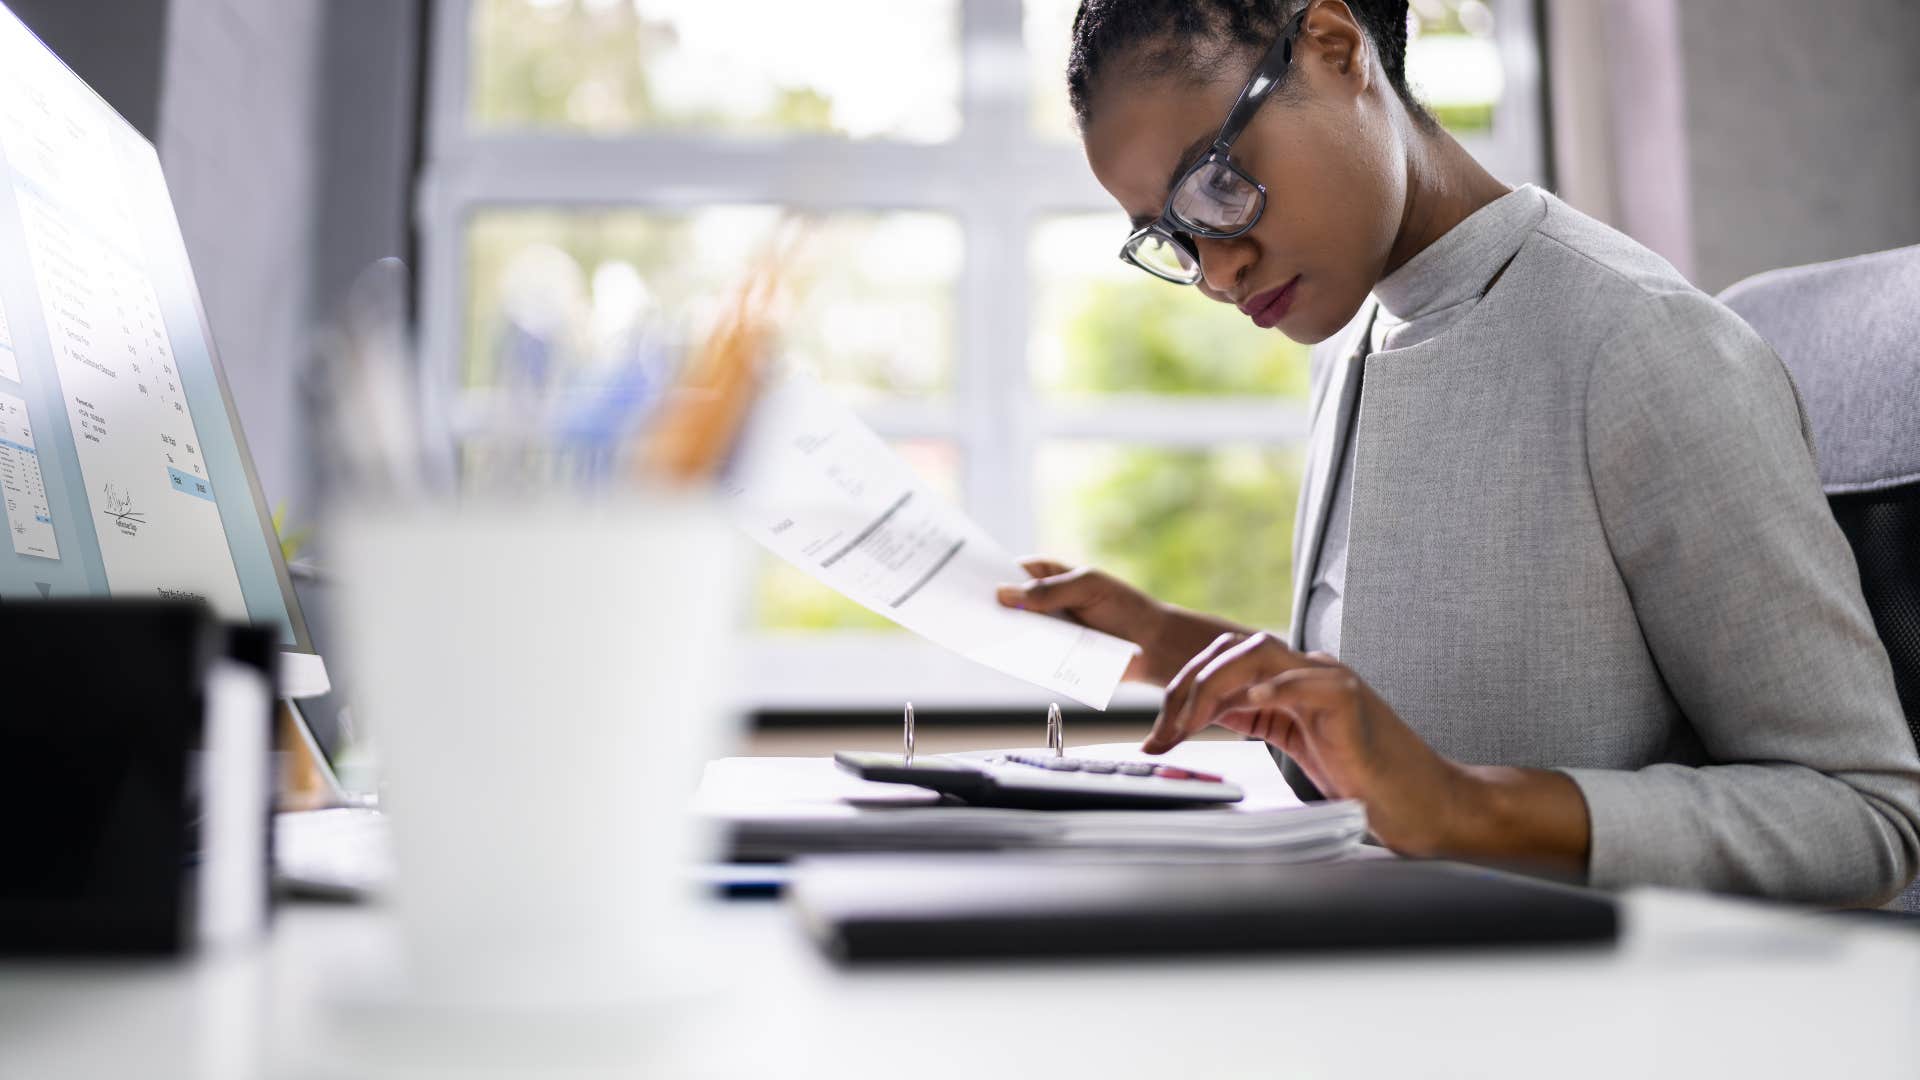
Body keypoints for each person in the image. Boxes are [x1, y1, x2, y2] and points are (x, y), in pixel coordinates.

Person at [997, 0, 1920, 906]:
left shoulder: (1640, 343)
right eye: (1173, 235)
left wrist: (1467, 806)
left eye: (1216, 185)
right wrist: (1169, 643)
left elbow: (1866, 816)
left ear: (1331, 47)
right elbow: (1397, 735)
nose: (1217, 271)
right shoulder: (1349, 340)